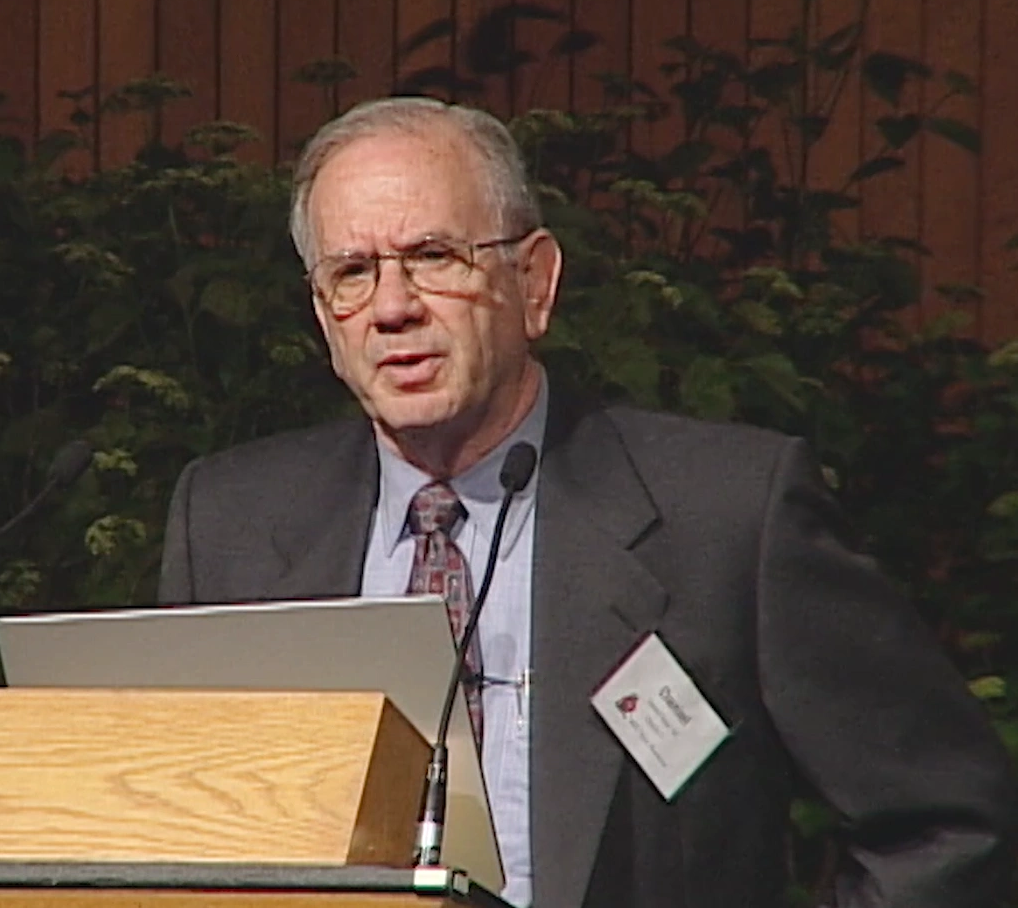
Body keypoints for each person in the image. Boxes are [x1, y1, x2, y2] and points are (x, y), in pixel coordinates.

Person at [158, 96, 1016, 908]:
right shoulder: (228, 523)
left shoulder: (725, 515)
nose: (391, 307)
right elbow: (163, 842)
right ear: (321, 312)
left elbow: (949, 826)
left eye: (431, 257)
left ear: (533, 282)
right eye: (352, 271)